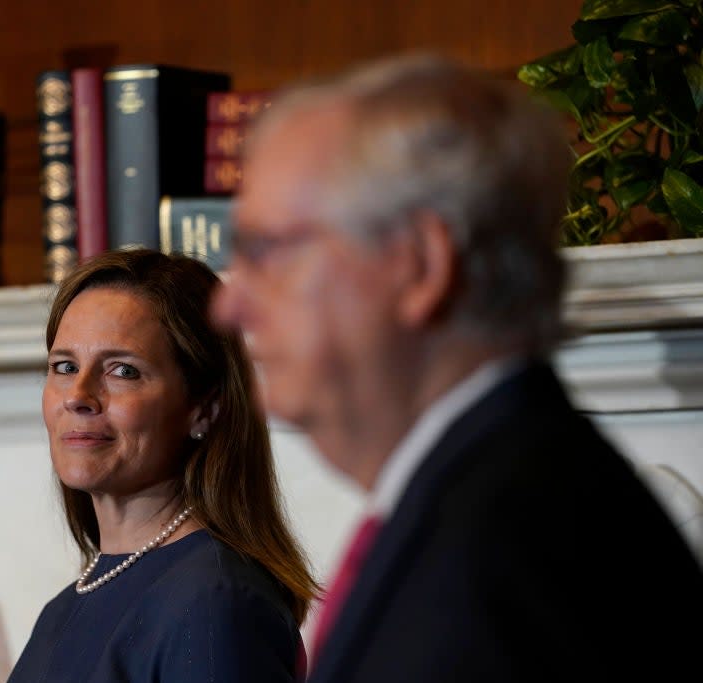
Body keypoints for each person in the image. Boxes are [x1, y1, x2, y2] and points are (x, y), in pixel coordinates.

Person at [210, 54, 703, 682]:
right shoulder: (480, 493)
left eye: (268, 251)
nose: (230, 302)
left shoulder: (518, 543)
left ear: (417, 266)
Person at [6, 248, 318, 682]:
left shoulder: (213, 604)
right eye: (64, 366)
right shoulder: (62, 610)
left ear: (204, 408)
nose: (77, 395)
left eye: (123, 371)